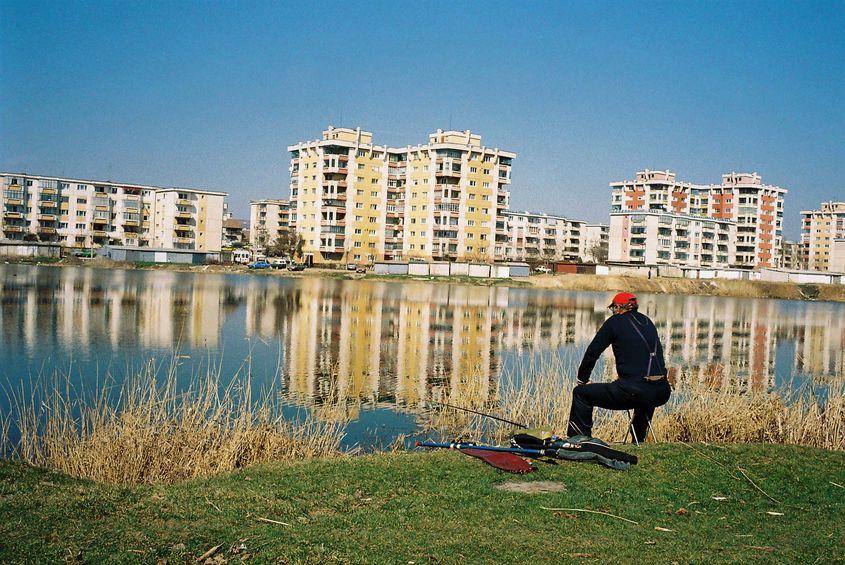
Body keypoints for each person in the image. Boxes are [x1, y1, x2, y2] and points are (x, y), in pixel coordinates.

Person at [566, 292, 671, 442]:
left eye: (613, 308)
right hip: (662, 392)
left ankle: (579, 440)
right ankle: (638, 440)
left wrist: (582, 379)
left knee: (580, 394)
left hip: (633, 392)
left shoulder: (615, 322)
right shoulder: (647, 321)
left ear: (618, 307)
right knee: (644, 390)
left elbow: (592, 352)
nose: (613, 312)